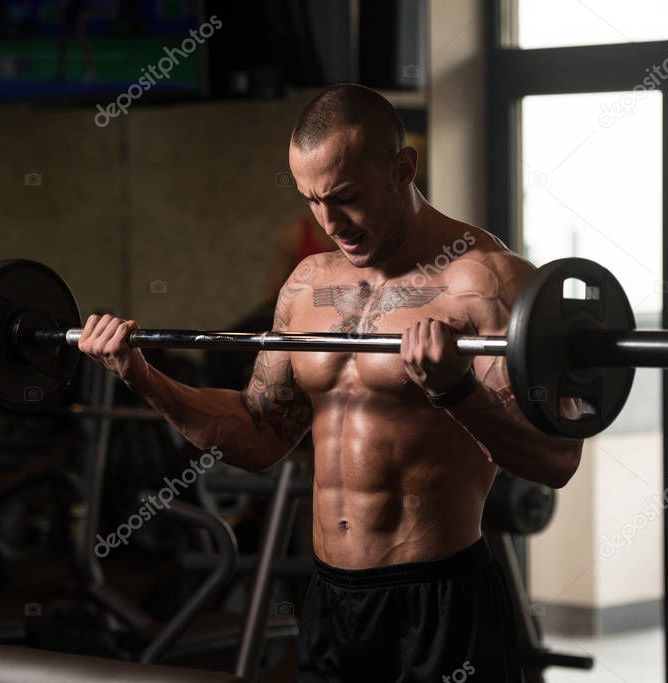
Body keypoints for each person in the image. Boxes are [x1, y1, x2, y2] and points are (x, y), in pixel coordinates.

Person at [78, 83, 584, 682]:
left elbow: (556, 459)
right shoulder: (306, 286)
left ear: (403, 168)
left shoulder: (483, 282)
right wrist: (140, 376)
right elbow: (261, 436)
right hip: (332, 605)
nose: (329, 221)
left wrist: (454, 392)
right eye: (312, 200)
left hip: (441, 601)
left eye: (346, 197)